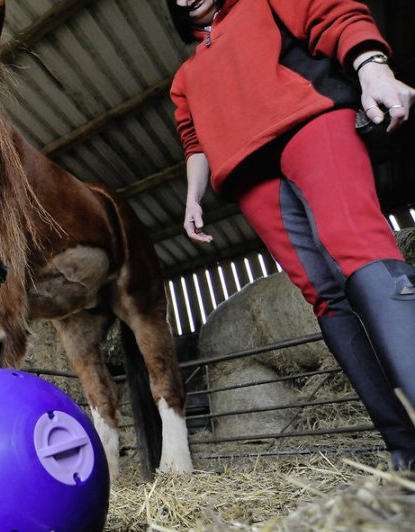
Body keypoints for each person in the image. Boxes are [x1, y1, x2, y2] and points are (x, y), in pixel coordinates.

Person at [166, 0, 415, 470]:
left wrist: (371, 67)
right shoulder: (184, 78)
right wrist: (192, 199)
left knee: (358, 249)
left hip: (311, 124)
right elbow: (194, 142)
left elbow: (332, 14)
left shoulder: (262, 3)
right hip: (248, 175)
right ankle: (403, 448)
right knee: (322, 294)